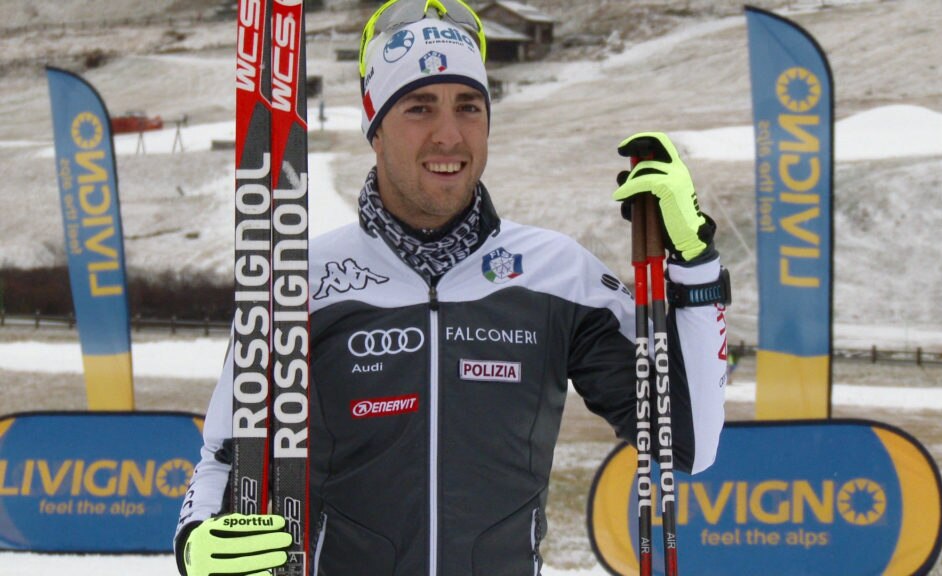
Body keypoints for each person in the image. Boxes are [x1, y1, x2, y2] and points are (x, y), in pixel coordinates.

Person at [175, 1, 730, 574]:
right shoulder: (303, 281)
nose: (449, 135)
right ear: (376, 128)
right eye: (419, 107)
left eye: (469, 107)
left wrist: (695, 268)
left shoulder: (560, 277)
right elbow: (224, 456)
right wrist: (196, 542)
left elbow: (688, 443)